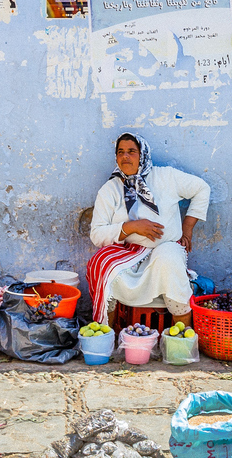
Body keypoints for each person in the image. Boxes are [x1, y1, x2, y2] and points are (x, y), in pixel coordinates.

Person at [86, 133, 210, 327]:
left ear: (142, 154)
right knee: (100, 262)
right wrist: (131, 227)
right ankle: (107, 335)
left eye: (131, 152)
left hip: (166, 248)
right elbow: (97, 234)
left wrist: (188, 228)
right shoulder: (110, 189)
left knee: (168, 259)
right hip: (129, 254)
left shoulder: (166, 176)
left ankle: (181, 339)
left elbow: (202, 188)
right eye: (121, 152)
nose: (125, 156)